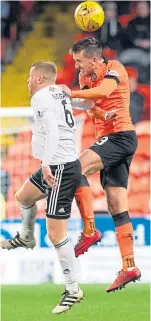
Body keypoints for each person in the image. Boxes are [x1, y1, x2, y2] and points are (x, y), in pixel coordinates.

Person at [0, 60, 84, 314]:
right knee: (23, 195)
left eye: (29, 76)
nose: (26, 81)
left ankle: (72, 289)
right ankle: (26, 236)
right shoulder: (58, 91)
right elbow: (77, 108)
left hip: (60, 168)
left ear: (39, 78)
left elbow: (52, 131)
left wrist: (45, 164)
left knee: (56, 234)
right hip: (60, 163)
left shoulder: (40, 97)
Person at [60, 37, 141, 293]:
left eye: (79, 62)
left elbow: (105, 92)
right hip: (109, 138)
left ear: (94, 59)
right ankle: (129, 266)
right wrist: (100, 113)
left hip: (121, 136)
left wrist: (71, 92)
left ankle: (90, 230)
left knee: (74, 167)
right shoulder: (85, 79)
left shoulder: (115, 68)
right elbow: (91, 105)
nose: (77, 66)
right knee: (117, 205)